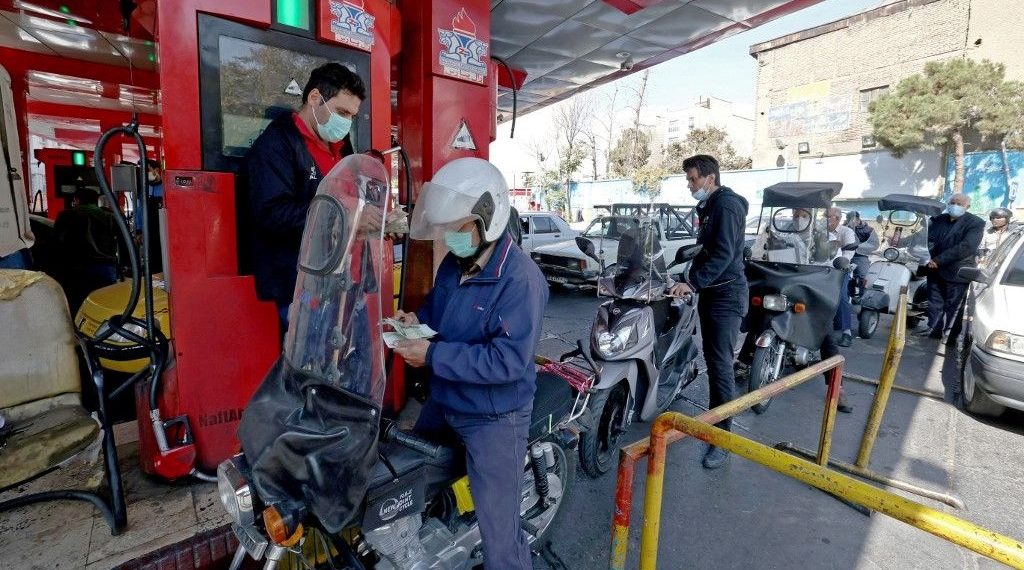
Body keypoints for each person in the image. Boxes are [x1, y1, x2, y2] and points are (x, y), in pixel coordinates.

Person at [391, 158, 548, 569]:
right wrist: (415, 324)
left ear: (487, 219)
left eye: (456, 227)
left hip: (493, 417)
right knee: (403, 483)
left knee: (501, 539)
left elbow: (508, 361)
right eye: (444, 228)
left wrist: (432, 355)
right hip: (446, 399)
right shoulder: (453, 264)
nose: (448, 237)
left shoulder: (521, 280)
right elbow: (435, 315)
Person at [241, 62, 366, 330]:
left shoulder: (342, 147)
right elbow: (271, 214)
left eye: (352, 116)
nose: (346, 122)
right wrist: (344, 215)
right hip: (301, 283)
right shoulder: (275, 146)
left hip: (342, 278)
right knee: (309, 365)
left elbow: (351, 197)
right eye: (342, 111)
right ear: (314, 98)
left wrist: (372, 218)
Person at [668, 155, 748, 469]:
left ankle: (722, 439)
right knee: (713, 360)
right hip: (713, 292)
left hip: (726, 296)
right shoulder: (712, 205)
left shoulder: (726, 205)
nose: (690, 186)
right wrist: (684, 277)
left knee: (719, 366)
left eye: (693, 179)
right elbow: (706, 250)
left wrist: (694, 284)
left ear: (710, 177)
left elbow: (725, 253)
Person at [911, 193, 984, 339]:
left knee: (954, 305)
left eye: (959, 204)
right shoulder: (938, 219)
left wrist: (938, 260)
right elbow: (925, 238)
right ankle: (934, 329)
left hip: (957, 271)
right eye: (953, 202)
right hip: (934, 269)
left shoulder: (975, 223)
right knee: (934, 302)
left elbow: (966, 247)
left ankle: (950, 335)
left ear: (967, 207)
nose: (955, 206)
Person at [52, 186, 119, 314]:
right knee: (106, 304)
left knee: (79, 306)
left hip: (77, 268)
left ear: (76, 200)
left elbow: (57, 244)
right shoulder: (109, 216)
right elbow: (124, 241)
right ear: (96, 200)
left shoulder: (66, 216)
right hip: (106, 268)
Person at [828, 207, 857, 346]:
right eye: (824, 216)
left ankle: (847, 332)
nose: (824, 219)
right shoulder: (818, 230)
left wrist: (840, 264)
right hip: (819, 267)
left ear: (838, 219)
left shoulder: (847, 232)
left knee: (841, 297)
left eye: (828, 217)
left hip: (839, 268)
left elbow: (848, 254)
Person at [845, 211, 879, 302]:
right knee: (844, 275)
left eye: (852, 219)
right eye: (848, 220)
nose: (850, 222)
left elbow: (875, 244)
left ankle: (863, 299)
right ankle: (846, 297)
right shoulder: (844, 228)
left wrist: (859, 246)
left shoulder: (869, 230)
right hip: (845, 254)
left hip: (860, 256)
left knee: (863, 276)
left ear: (858, 218)